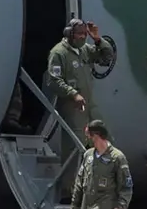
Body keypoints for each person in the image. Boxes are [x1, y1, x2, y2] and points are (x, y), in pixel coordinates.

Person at [46, 19, 114, 190]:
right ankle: (68, 191)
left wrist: (97, 39)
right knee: (74, 147)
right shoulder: (59, 53)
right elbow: (53, 81)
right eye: (79, 34)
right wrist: (72, 93)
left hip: (89, 104)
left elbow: (107, 58)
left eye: (85, 34)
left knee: (103, 138)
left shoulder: (84, 50)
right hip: (72, 107)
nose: (83, 37)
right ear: (69, 34)